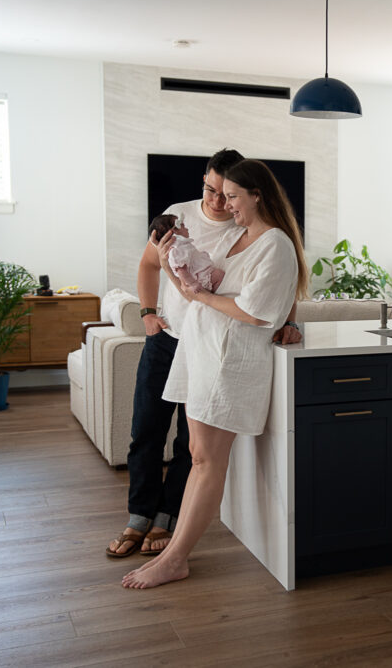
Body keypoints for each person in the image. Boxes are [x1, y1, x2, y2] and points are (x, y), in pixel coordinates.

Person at [122, 159, 310, 588]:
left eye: (232, 197)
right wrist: (174, 259)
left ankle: (175, 558)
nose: (225, 205)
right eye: (220, 195)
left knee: (206, 462)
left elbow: (255, 311)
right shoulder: (241, 237)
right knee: (200, 458)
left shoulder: (275, 244)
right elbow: (203, 283)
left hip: (230, 363)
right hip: (203, 355)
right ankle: (172, 553)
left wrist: (202, 298)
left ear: (257, 195)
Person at [149, 213, 225, 293]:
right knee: (219, 275)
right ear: (175, 231)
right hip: (199, 278)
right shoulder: (176, 250)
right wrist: (193, 283)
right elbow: (181, 270)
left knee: (219, 276)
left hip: (202, 273)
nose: (187, 229)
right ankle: (214, 297)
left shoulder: (181, 246)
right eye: (183, 226)